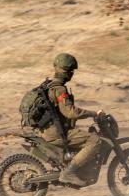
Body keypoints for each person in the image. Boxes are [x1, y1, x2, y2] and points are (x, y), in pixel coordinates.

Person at [42, 52, 104, 186]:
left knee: (84, 135)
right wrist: (93, 113)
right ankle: (68, 173)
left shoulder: (50, 85)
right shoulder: (59, 89)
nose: (72, 74)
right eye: (71, 71)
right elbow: (70, 112)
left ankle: (73, 167)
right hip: (56, 133)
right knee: (94, 140)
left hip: (54, 129)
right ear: (67, 71)